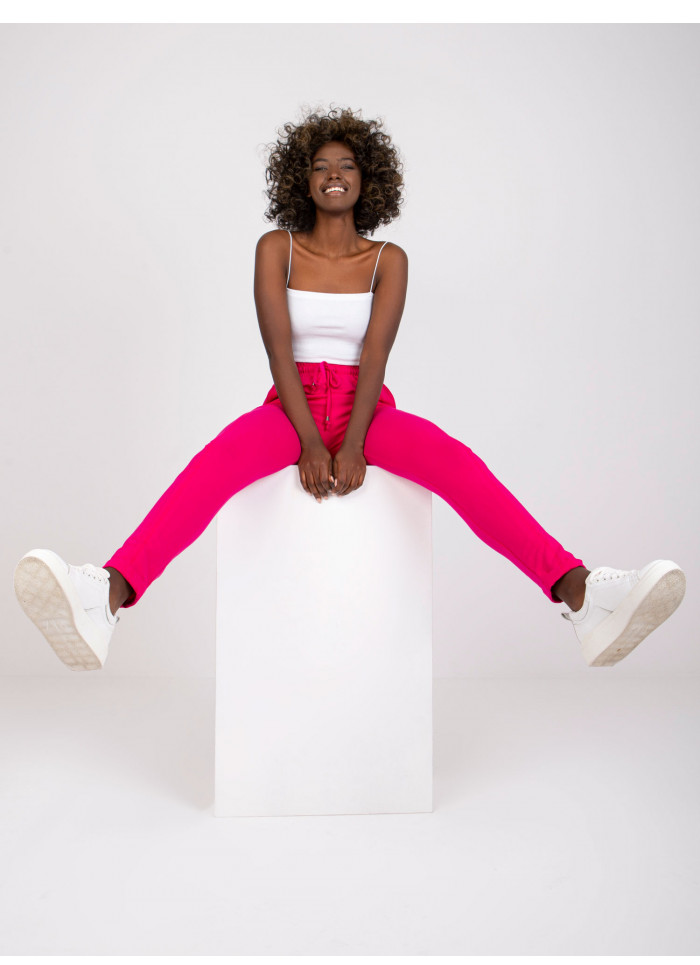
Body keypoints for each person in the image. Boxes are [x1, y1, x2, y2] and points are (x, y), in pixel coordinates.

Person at [14, 106, 686, 673]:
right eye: (320, 166)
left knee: (457, 464)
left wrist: (355, 441)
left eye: (347, 166)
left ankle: (582, 594)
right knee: (213, 465)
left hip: (366, 405)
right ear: (302, 180)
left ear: (368, 180)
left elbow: (376, 354)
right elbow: (279, 349)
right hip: (293, 404)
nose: (334, 175)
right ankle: (106, 594)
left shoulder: (388, 260)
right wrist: (311, 440)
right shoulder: (276, 248)